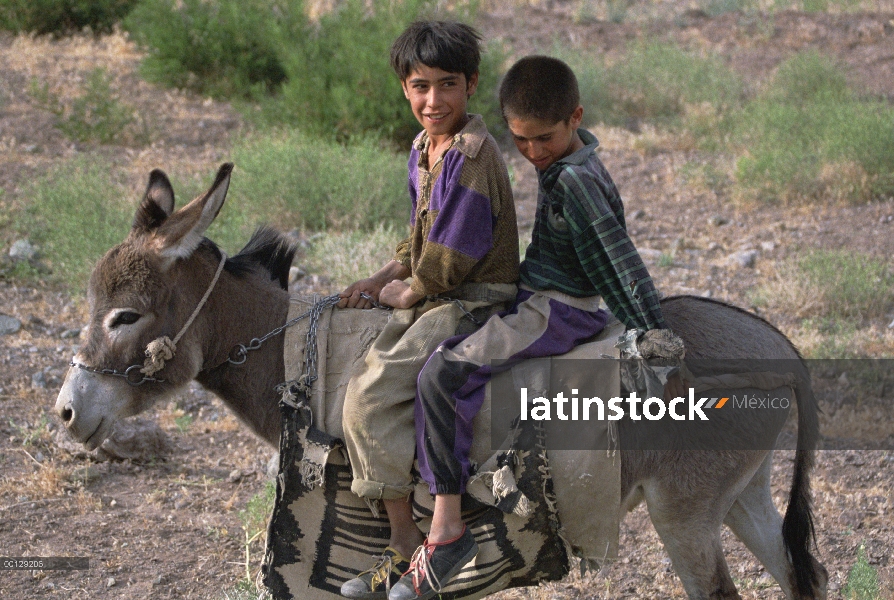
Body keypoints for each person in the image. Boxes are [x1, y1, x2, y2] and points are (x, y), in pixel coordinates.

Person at [388, 55, 683, 600]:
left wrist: (653, 334)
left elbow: (618, 262)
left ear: (575, 116)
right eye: (520, 141)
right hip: (534, 295)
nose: (532, 153)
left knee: (441, 377)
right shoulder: (572, 163)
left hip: (556, 309)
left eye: (543, 139)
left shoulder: (574, 184)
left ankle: (447, 526)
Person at [338, 21, 520, 600]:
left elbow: (448, 258)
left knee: (368, 393)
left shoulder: (472, 156)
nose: (432, 100)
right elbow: (417, 238)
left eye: (447, 86)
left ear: (471, 86)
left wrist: (404, 292)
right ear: (404, 88)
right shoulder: (423, 149)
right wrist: (378, 278)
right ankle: (401, 542)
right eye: (420, 87)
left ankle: (414, 537)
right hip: (436, 289)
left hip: (470, 298)